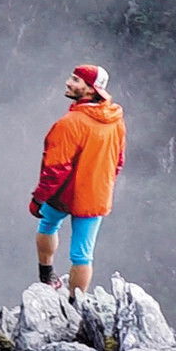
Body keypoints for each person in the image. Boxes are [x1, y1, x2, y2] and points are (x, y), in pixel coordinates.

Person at [28, 64, 126, 296]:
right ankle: (76, 305)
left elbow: (55, 169)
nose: (68, 82)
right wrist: (102, 185)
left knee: (48, 225)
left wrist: (38, 199)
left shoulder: (71, 124)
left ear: (90, 90)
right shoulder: (115, 120)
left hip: (64, 194)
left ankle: (46, 273)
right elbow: (118, 161)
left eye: (75, 80)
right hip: (95, 197)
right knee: (83, 255)